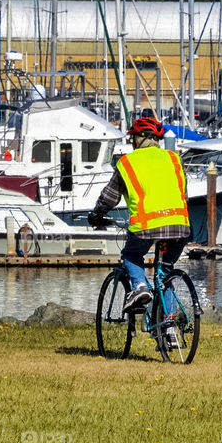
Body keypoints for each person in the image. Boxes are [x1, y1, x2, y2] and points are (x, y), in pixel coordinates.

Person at [88, 116, 191, 313]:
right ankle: (168, 328)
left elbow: (109, 197)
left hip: (146, 226)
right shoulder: (174, 159)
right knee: (165, 271)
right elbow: (183, 194)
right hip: (180, 225)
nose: (132, 142)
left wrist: (96, 215)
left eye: (133, 138)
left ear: (140, 139)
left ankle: (140, 287)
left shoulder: (127, 162)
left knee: (131, 254)